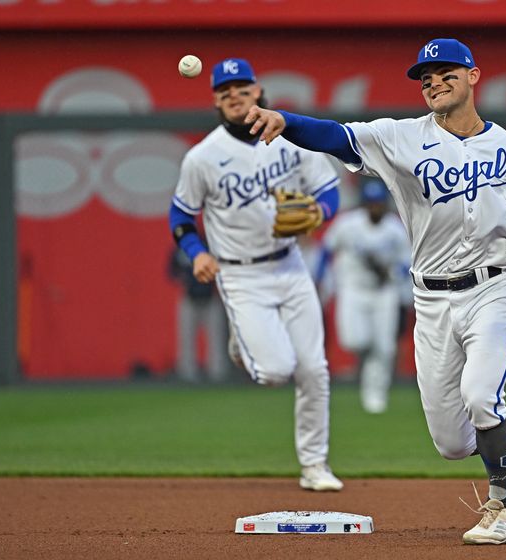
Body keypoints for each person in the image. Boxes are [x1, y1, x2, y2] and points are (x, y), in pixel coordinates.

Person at [243, 38, 506, 543]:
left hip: (496, 286)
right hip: (432, 298)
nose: (434, 81)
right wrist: (286, 121)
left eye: (445, 71)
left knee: (482, 399)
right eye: (425, 76)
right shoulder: (399, 138)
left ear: (474, 76)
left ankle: (502, 509)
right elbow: (334, 136)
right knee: (454, 442)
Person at [168, 57, 343, 491]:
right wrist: (195, 253)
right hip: (239, 274)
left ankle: (315, 465)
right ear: (216, 101)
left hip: (290, 263)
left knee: (314, 370)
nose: (235, 97)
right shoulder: (202, 158)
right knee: (275, 371)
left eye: (242, 89)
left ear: (258, 92)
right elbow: (181, 214)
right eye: (225, 92)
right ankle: (242, 342)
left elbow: (329, 191)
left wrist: (319, 212)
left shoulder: (290, 140)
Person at [316, 179, 411, 414]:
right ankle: (367, 366)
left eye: (378, 204)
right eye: (371, 204)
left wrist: (390, 271)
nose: (374, 208)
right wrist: (319, 277)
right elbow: (327, 249)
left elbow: (407, 262)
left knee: (385, 348)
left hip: (383, 291)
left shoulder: (394, 228)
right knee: (355, 340)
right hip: (353, 289)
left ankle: (375, 395)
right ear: (363, 204)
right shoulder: (349, 225)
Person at [167, 246, 229, 382]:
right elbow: (171, 271)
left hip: (210, 298)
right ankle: (187, 377)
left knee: (216, 340)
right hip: (189, 298)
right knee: (187, 340)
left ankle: (218, 377)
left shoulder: (210, 246)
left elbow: (224, 270)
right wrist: (184, 277)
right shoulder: (181, 249)